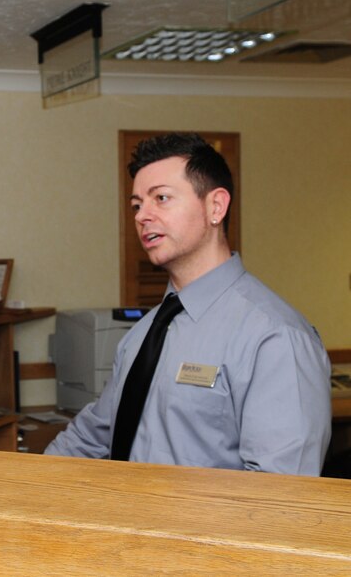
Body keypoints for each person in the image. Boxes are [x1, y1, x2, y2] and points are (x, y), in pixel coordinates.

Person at [45, 132, 331, 476]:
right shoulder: (140, 336)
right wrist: (25, 484)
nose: (142, 215)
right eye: (137, 205)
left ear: (216, 207)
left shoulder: (276, 337)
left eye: (161, 198)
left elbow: (282, 493)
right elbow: (92, 436)